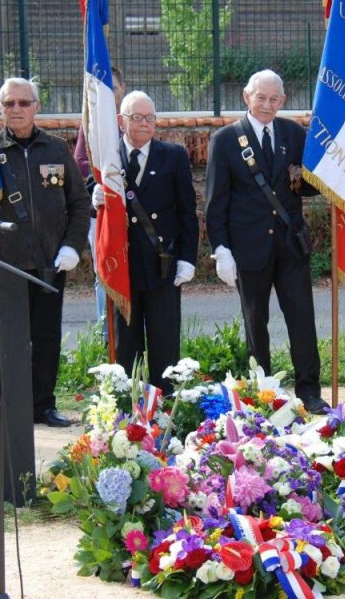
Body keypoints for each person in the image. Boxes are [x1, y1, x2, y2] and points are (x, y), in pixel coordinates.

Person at [205, 69, 329, 415]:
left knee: (302, 320)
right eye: (261, 97)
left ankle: (309, 391)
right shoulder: (226, 140)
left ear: (283, 102)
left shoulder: (294, 133)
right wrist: (221, 250)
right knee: (255, 324)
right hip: (248, 247)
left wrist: (327, 171)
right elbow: (216, 202)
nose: (267, 105)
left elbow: (306, 186)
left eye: (274, 99)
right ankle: (262, 395)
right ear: (247, 97)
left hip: (290, 244)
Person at [0, 77, 90, 427]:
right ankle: (9, 404)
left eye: (24, 102)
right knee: (8, 337)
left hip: (50, 262)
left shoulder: (57, 149)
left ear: (37, 106)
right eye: (9, 103)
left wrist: (72, 246)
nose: (16, 109)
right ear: (0, 107)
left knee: (46, 336)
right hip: (5, 263)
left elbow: (79, 202)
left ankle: (43, 404)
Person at [92, 91, 198, 393]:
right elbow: (91, 199)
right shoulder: (108, 157)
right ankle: (127, 406)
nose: (144, 124)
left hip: (161, 265)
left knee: (165, 342)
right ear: (120, 121)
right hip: (121, 265)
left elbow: (187, 212)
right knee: (125, 345)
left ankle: (165, 407)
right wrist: (94, 197)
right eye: (136, 117)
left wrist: (187, 258)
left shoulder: (173, 155)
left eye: (149, 118)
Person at [74, 66, 126, 342]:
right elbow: (81, 164)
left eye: (114, 89)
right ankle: (107, 335)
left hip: (132, 212)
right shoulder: (90, 122)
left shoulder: (133, 117)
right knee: (103, 274)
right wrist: (109, 170)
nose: (110, 95)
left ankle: (131, 331)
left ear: (122, 89)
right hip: (102, 212)